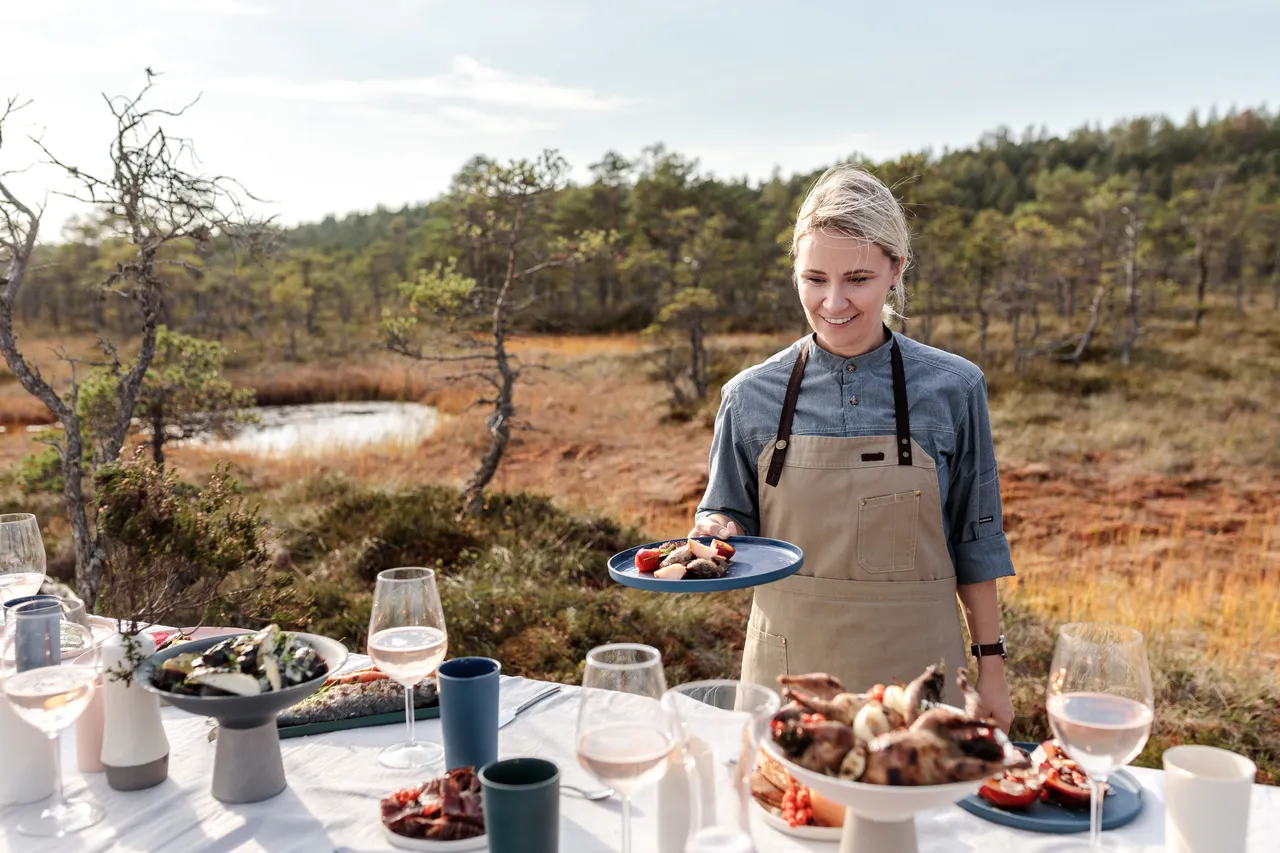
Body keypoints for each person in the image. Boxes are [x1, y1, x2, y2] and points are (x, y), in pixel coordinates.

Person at [690, 165, 1015, 731]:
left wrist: (992, 669)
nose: (833, 302)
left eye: (857, 278)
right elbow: (726, 512)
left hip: (922, 684)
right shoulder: (748, 397)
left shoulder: (955, 389)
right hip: (786, 678)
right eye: (815, 278)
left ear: (896, 270)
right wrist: (717, 528)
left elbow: (976, 541)